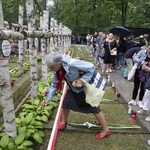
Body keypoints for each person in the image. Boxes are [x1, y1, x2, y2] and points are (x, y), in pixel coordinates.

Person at [41, 51, 111, 139]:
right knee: (66, 103)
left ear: (58, 64)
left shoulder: (72, 63)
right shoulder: (59, 70)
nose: (50, 69)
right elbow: (54, 84)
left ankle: (106, 130)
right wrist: (48, 98)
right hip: (74, 88)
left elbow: (91, 67)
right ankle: (63, 122)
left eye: (51, 67)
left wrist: (82, 80)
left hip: (84, 88)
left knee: (93, 107)